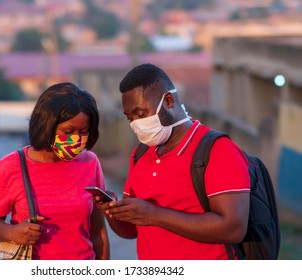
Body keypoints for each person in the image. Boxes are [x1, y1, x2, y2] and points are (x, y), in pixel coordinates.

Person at [95, 63, 250, 260]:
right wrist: (112, 211)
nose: (135, 123)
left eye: (141, 114)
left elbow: (233, 228)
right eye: (130, 118)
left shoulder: (216, 149)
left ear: (168, 100)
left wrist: (154, 215)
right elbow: (131, 230)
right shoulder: (141, 154)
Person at [0, 82, 110, 260]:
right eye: (68, 131)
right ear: (46, 125)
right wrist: (11, 233)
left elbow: (98, 230)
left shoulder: (90, 162)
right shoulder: (11, 166)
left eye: (83, 132)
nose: (76, 139)